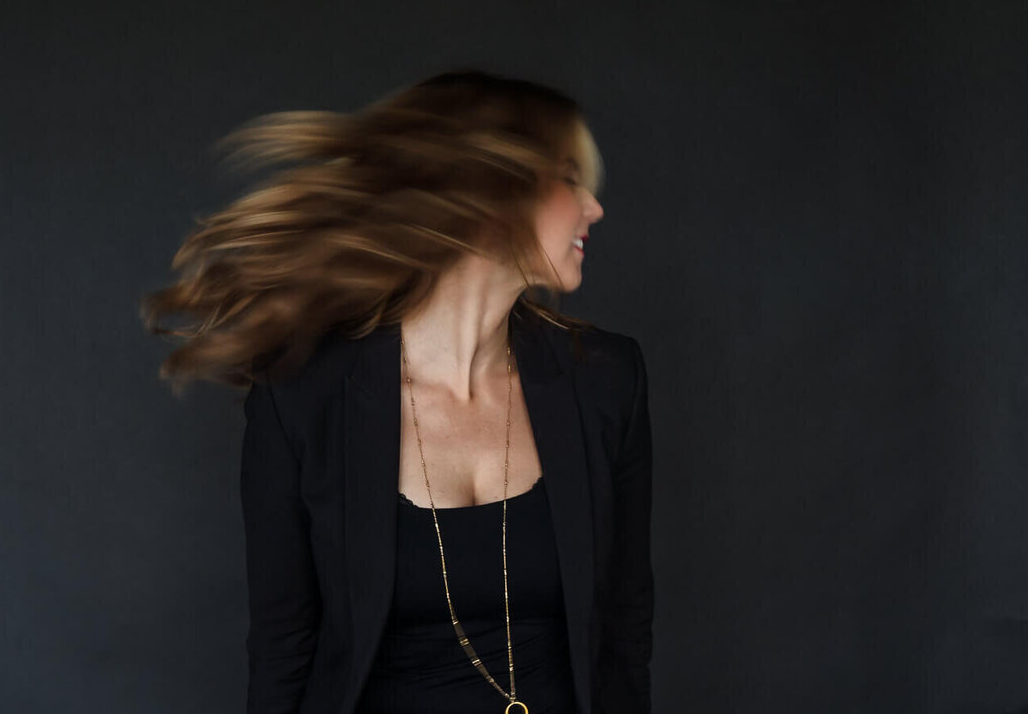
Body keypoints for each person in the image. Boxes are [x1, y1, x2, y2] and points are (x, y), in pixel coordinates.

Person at [142, 70, 654, 714]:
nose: (594, 207)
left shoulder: (605, 379)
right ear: (494, 192)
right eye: (571, 178)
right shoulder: (305, 396)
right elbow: (282, 653)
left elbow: (625, 637)